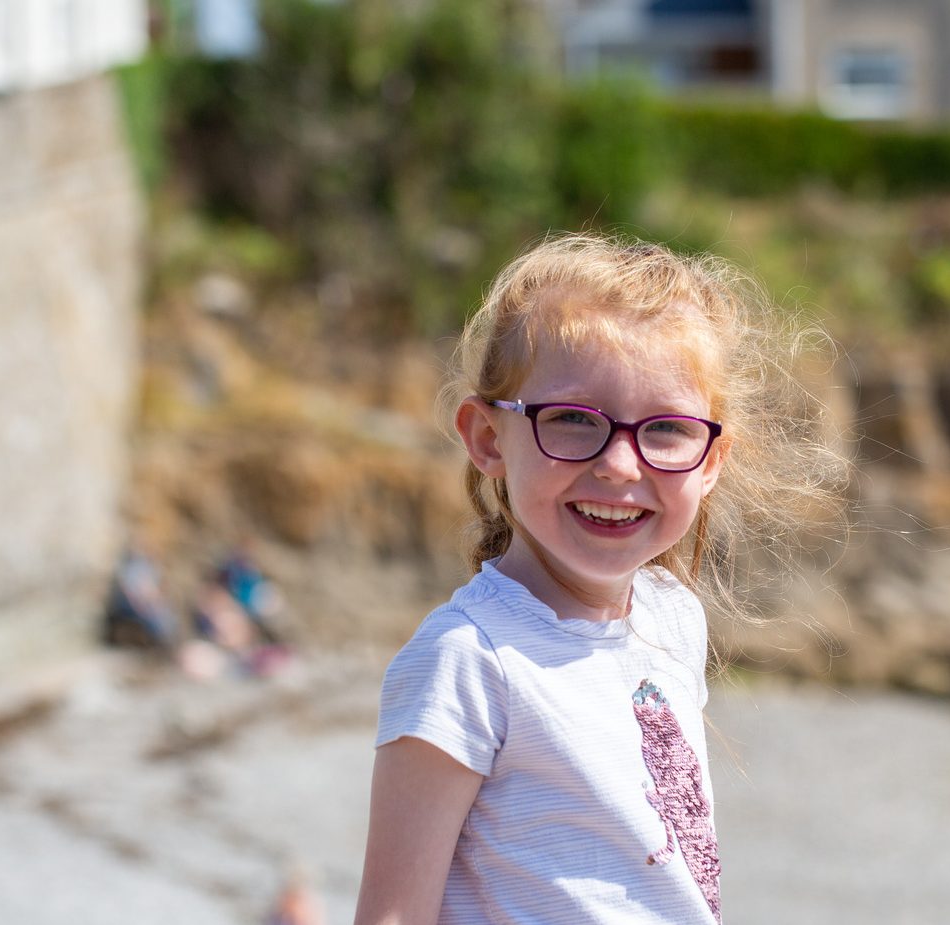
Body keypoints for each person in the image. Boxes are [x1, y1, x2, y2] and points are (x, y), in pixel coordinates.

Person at [353, 234, 847, 925]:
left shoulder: (672, 617)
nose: (619, 464)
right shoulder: (468, 660)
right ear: (489, 438)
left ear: (711, 460)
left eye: (667, 429)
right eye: (573, 420)